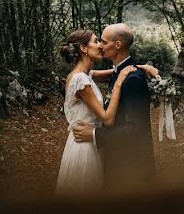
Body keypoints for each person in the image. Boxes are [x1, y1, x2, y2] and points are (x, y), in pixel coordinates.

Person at [55, 28, 158, 194]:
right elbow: (108, 119)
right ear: (83, 49)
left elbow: (116, 71)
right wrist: (118, 84)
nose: (100, 46)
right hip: (85, 144)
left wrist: (141, 67)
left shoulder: (86, 74)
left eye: (102, 41)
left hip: (97, 146)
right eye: (96, 41)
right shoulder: (81, 79)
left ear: (117, 45)